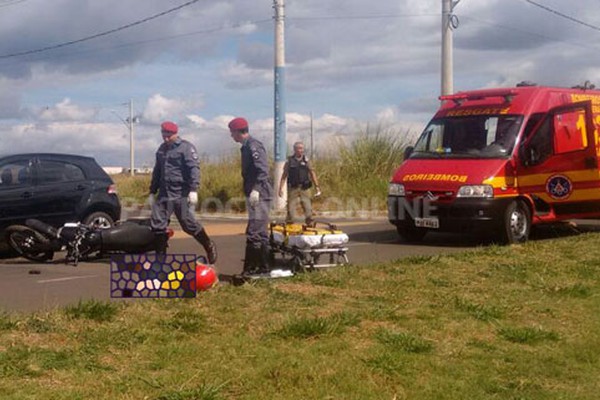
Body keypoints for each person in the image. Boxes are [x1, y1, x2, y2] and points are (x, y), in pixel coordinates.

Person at [148, 121, 217, 264]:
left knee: (188, 224)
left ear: (175, 134)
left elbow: (194, 169)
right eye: (164, 135)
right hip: (164, 194)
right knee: (157, 225)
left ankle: (208, 244)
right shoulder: (161, 150)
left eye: (169, 136)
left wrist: (193, 190)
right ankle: (160, 260)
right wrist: (152, 191)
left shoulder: (186, 148)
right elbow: (157, 171)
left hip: (181, 193)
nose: (166, 138)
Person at [227, 117, 273, 275]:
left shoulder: (253, 146)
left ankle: (251, 269)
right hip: (255, 194)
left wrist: (257, 189)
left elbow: (263, 170)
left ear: (238, 132)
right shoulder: (246, 147)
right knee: (260, 232)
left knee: (254, 231)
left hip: (260, 194)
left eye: (232, 132)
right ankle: (263, 267)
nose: (231, 136)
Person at [278, 141, 321, 225]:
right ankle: (289, 226)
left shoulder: (306, 161)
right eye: (298, 148)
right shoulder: (289, 161)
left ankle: (310, 224)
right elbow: (284, 175)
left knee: (308, 208)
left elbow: (312, 173)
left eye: (302, 148)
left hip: (304, 188)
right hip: (293, 188)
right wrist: (280, 188)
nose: (300, 150)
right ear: (294, 149)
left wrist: (317, 187)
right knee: (291, 208)